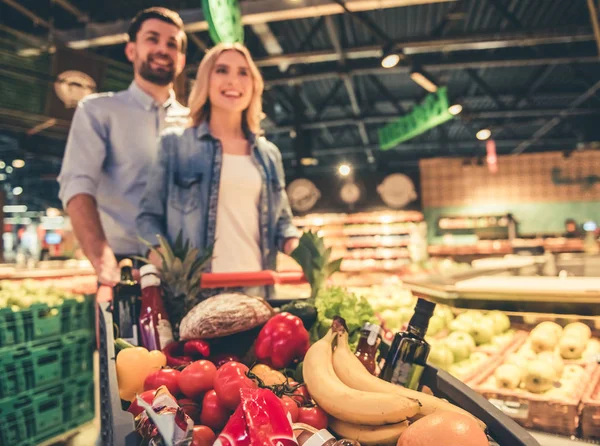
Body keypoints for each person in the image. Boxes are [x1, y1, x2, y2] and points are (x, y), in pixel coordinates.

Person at [137, 43, 299, 297]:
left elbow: (282, 223)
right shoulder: (175, 145)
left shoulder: (269, 154)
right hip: (194, 296)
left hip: (256, 291)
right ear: (205, 81)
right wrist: (162, 262)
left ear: (254, 85)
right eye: (222, 70)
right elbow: (148, 217)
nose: (233, 80)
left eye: (243, 72)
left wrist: (301, 250)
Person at [57, 7, 188, 285]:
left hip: (187, 267)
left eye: (172, 44)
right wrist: (104, 264)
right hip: (125, 266)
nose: (162, 49)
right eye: (152, 39)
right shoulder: (98, 111)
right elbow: (77, 185)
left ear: (181, 59)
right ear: (131, 51)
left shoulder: (195, 123)